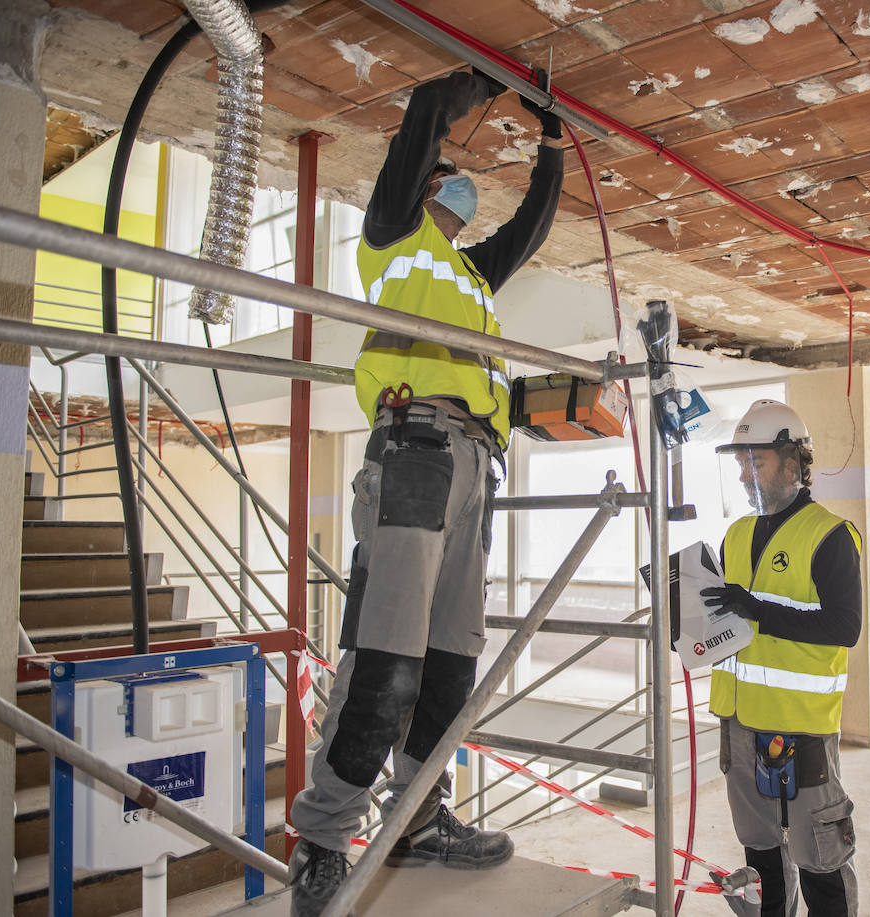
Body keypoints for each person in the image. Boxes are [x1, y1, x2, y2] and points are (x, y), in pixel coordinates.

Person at [288, 66, 564, 917]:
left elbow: (530, 228)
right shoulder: (393, 236)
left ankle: (417, 817)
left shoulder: (472, 276)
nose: (464, 196)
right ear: (433, 187)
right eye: (453, 183)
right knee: (387, 660)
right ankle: (324, 840)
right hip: (413, 454)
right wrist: (486, 81)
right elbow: (419, 114)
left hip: (477, 461)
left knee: (450, 664)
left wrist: (552, 141)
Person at [701, 399, 863, 917]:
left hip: (801, 726)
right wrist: (693, 627)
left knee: (819, 856)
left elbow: (845, 627)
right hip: (740, 722)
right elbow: (733, 623)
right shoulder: (737, 534)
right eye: (741, 463)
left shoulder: (830, 536)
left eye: (758, 461)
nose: (747, 474)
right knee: (760, 854)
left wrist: (760, 611)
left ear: (793, 462)